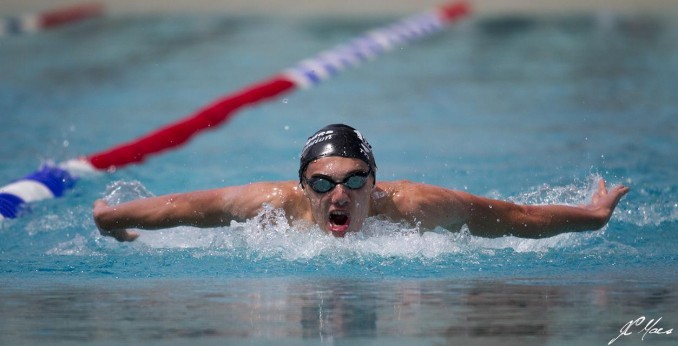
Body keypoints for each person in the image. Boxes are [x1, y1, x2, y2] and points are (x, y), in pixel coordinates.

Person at [93, 124, 629, 242]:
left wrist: (592, 216)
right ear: (302, 186)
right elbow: (184, 207)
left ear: (376, 184)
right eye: (323, 184)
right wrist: (113, 221)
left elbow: (516, 218)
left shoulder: (416, 205)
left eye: (355, 181)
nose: (340, 194)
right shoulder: (270, 208)